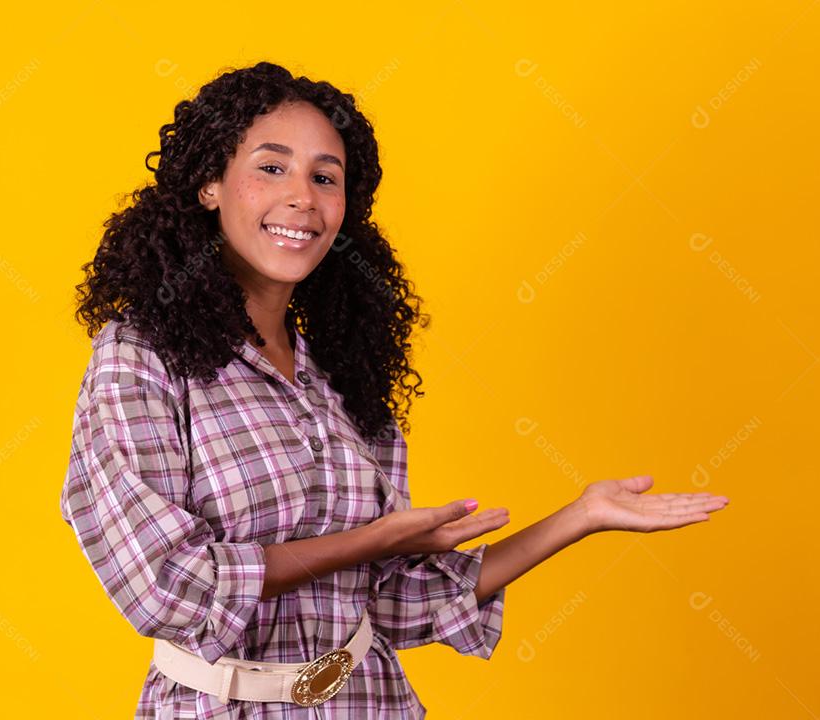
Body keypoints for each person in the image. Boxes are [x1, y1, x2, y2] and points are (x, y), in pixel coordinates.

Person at [60, 61, 730, 719]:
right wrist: (372, 539)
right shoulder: (139, 359)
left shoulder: (342, 371)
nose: (303, 197)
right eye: (272, 168)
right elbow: (165, 587)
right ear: (210, 185)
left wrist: (580, 516)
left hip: (369, 701)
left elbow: (396, 600)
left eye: (325, 177)